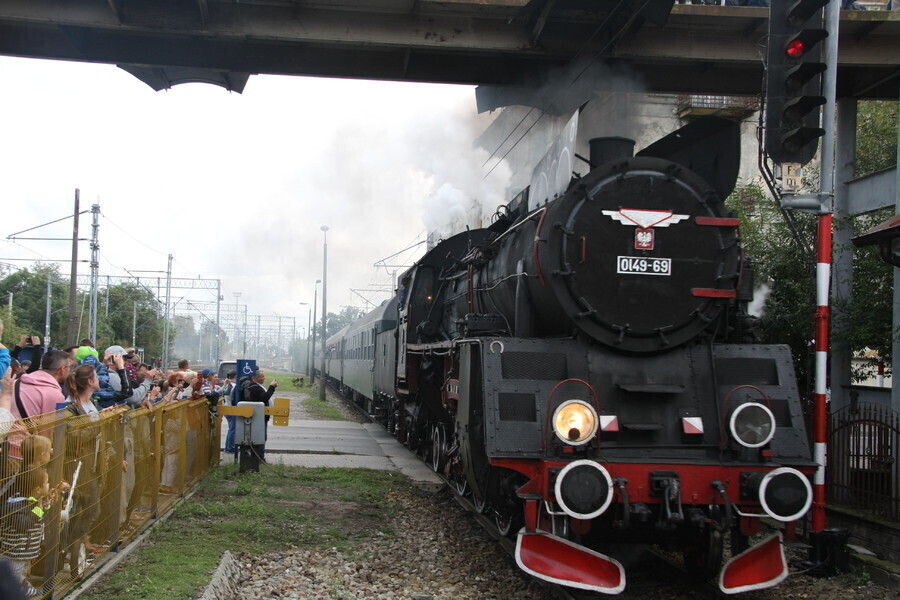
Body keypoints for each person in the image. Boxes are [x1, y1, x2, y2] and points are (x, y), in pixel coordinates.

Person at [0, 466, 52, 598]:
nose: (49, 484)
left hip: (24, 553)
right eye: (47, 482)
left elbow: (38, 519)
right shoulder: (16, 505)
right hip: (15, 554)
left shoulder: (33, 502)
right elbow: (23, 525)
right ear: (38, 489)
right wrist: (38, 511)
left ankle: (23, 585)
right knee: (14, 574)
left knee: (21, 572)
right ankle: (20, 590)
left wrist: (45, 506)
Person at [242, 368, 278, 461]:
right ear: (255, 378)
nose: (264, 378)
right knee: (261, 437)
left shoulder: (257, 386)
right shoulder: (254, 387)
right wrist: (272, 387)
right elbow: (264, 397)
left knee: (262, 437)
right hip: (259, 416)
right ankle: (259, 457)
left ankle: (258, 456)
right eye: (261, 376)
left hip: (262, 416)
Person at [221, 370, 237, 454]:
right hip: (231, 409)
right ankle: (230, 448)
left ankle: (228, 447)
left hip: (226, 407)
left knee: (231, 429)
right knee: (233, 429)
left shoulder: (228, 385)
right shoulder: (234, 386)